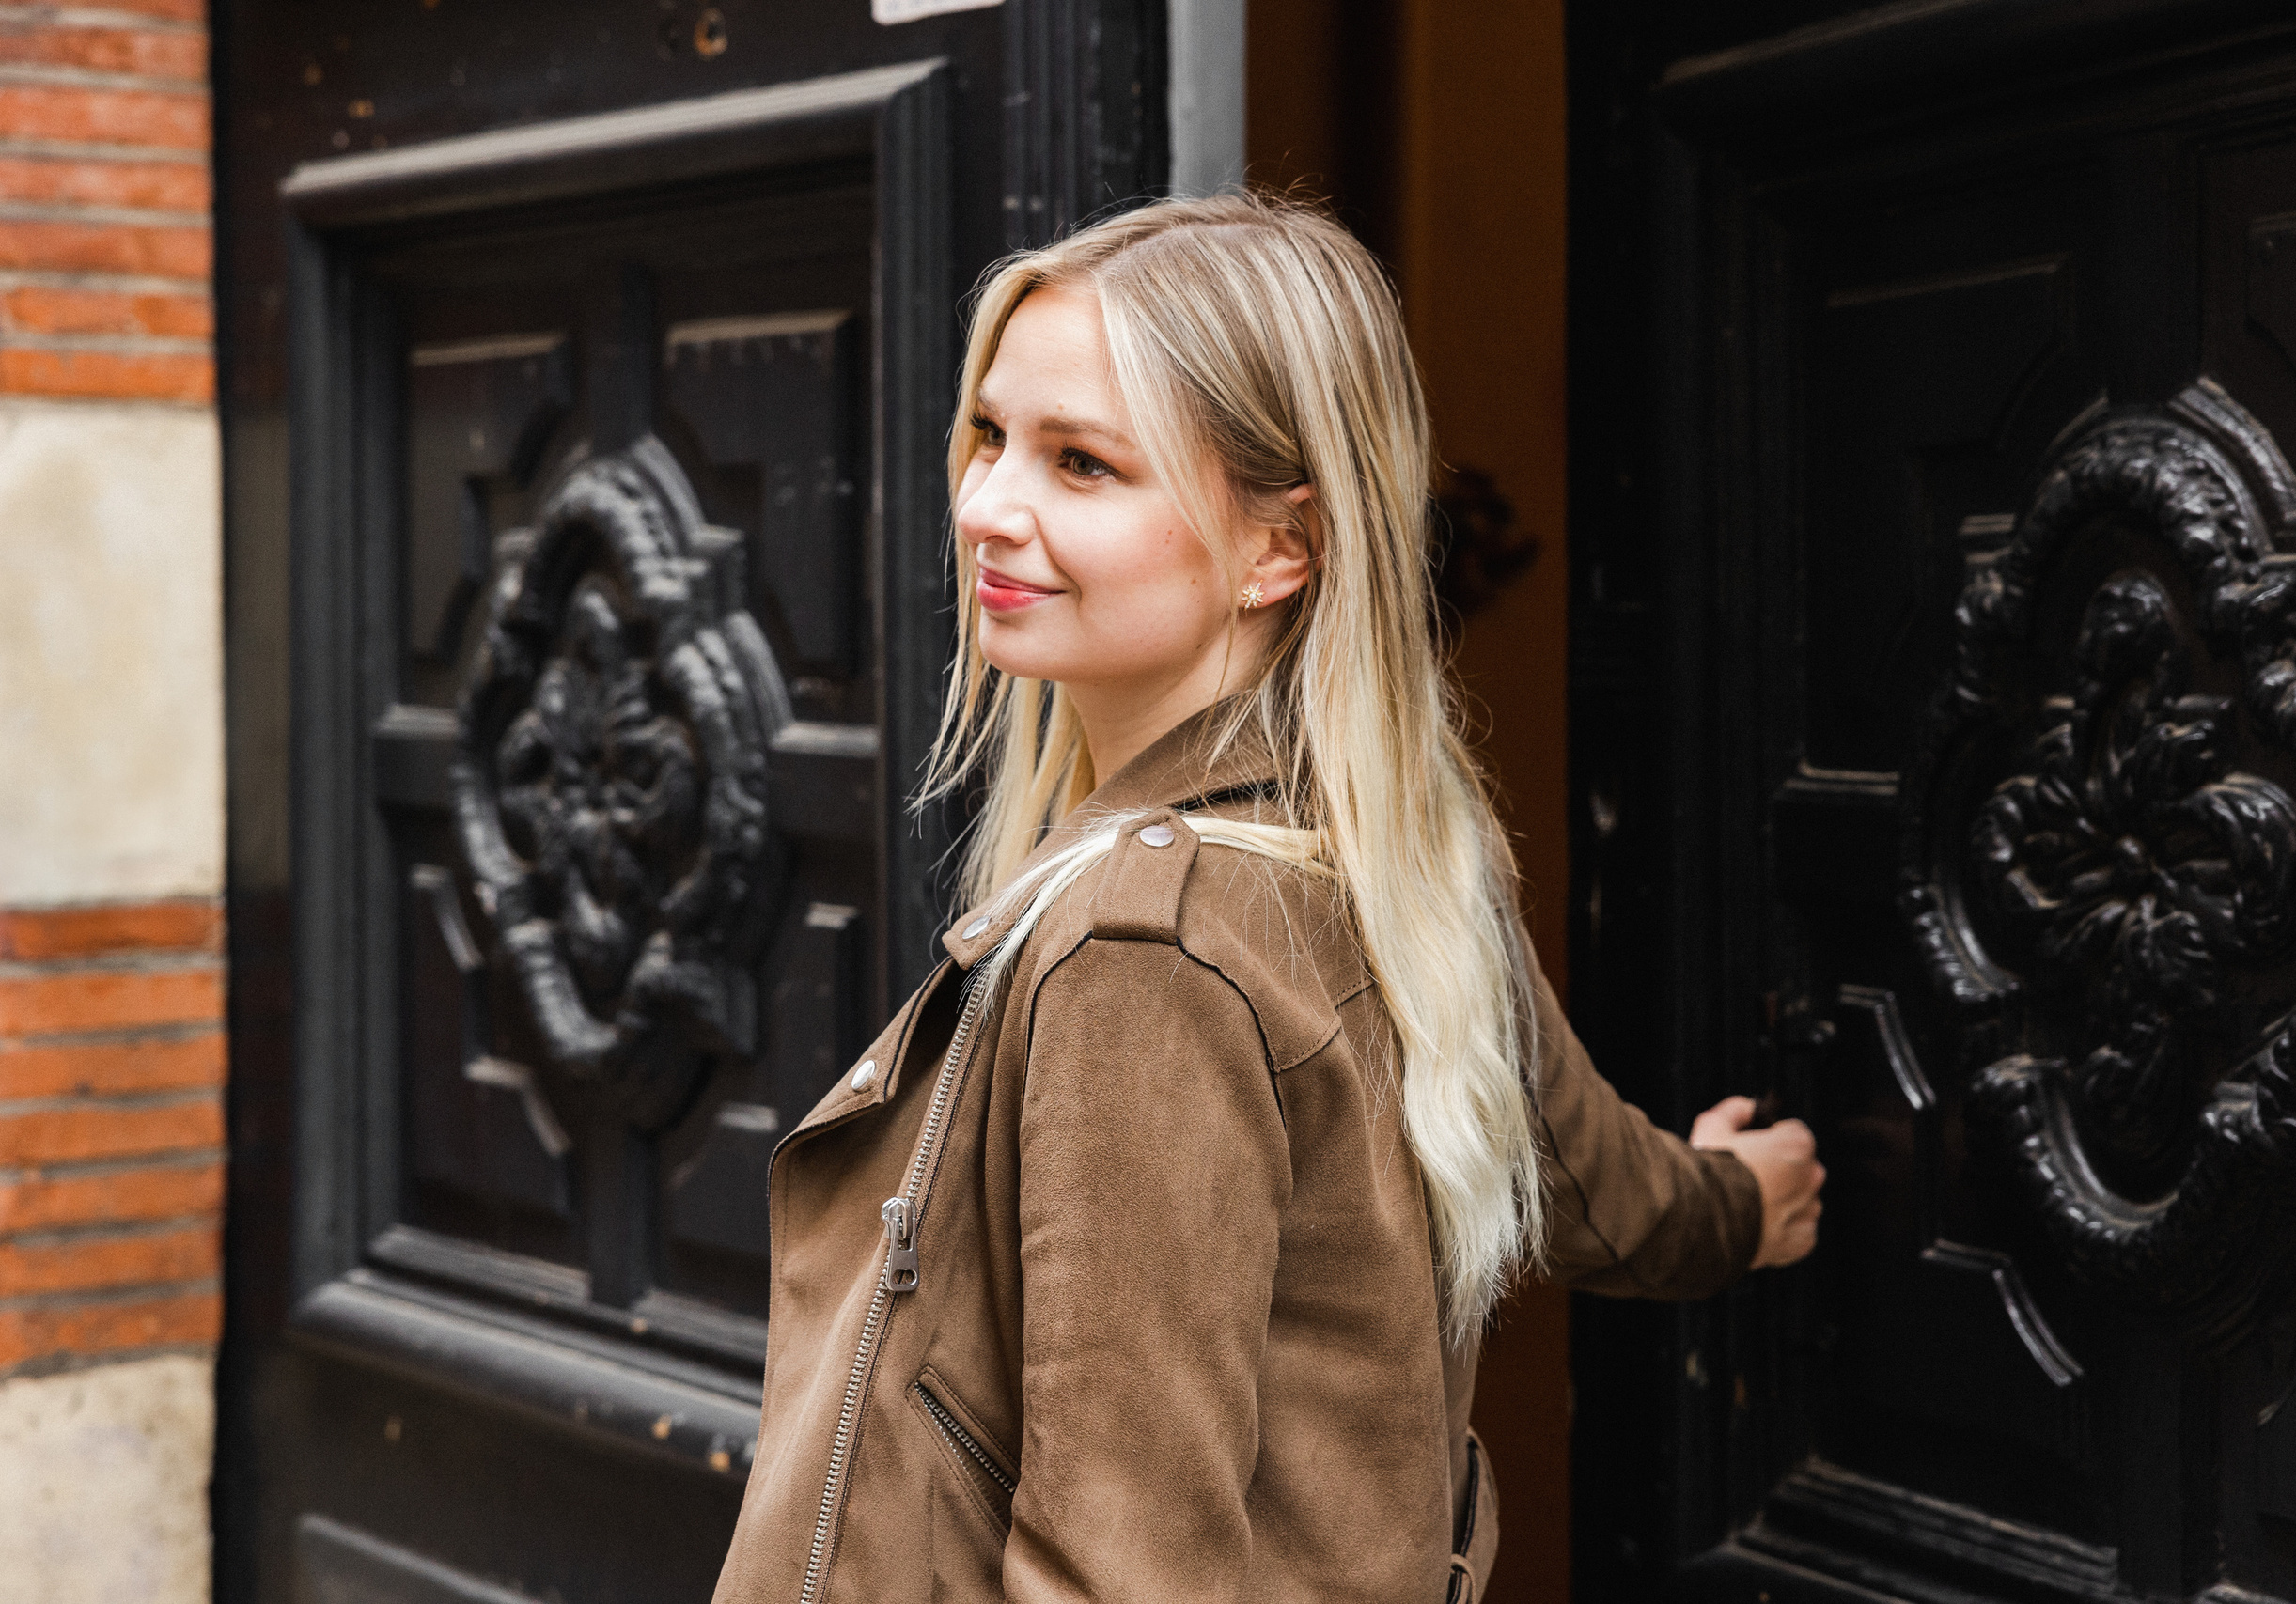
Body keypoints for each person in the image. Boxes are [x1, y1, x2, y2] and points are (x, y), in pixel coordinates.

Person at [711, 191, 1823, 1604]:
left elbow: (1122, 1570)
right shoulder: (1400, 845)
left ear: (1280, 548)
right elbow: (1598, 1188)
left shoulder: (1141, 948)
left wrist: (1727, 1202)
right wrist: (1741, 1199)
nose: (989, 506)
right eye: (991, 436)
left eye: (1085, 465)